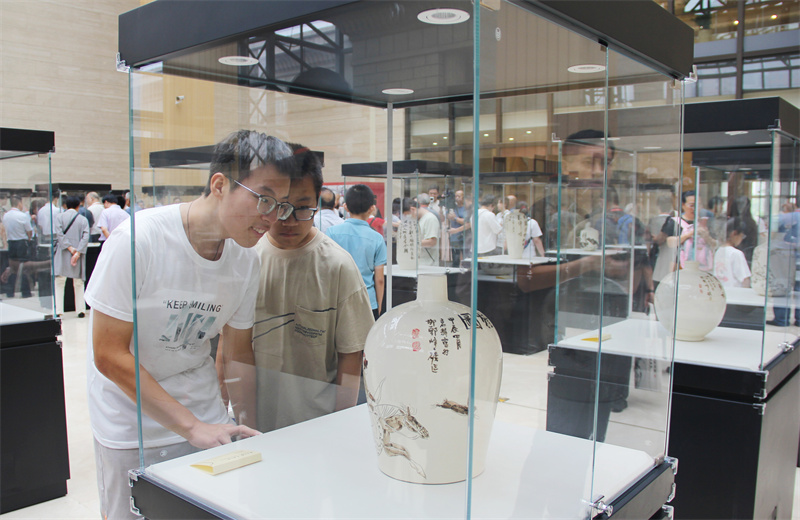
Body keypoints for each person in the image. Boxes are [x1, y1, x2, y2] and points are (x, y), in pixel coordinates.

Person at [84, 130, 292, 520]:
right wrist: (190, 426)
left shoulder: (246, 260)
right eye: (263, 199)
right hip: (132, 421)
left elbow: (238, 350)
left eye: (280, 205)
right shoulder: (138, 240)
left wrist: (247, 428)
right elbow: (108, 354)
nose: (271, 217)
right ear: (219, 185)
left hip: (205, 413)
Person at [247, 144, 373, 433]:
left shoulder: (337, 265)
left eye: (303, 208)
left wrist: (339, 424)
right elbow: (230, 346)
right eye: (279, 206)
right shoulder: (247, 255)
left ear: (319, 201)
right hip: (254, 423)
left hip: (316, 424)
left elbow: (351, 357)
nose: (289, 221)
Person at [327, 184, 388, 320]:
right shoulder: (377, 238)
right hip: (367, 300)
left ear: (346, 207)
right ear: (372, 208)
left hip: (338, 299)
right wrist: (378, 306)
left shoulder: (331, 233)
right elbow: (379, 279)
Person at [53, 196, 90, 317]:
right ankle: (80, 310)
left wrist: (68, 247)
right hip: (77, 254)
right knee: (78, 282)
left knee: (59, 282)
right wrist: (78, 251)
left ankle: (59, 311)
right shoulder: (83, 219)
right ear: (78, 206)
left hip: (63, 252)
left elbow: (59, 234)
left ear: (65, 205)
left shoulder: (59, 217)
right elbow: (85, 237)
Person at [1, 196, 33, 298]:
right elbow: (29, 231)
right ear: (19, 203)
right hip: (21, 243)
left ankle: (10, 291)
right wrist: (28, 239)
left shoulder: (5, 216)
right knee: (23, 268)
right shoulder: (22, 215)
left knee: (12, 267)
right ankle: (25, 292)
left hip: (11, 242)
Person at [713, 217, 751, 289]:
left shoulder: (718, 251)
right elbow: (745, 279)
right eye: (741, 236)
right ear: (734, 233)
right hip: (735, 294)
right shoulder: (736, 254)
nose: (741, 240)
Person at [415, 193, 440, 266]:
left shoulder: (430, 217)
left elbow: (432, 241)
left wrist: (413, 242)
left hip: (429, 262)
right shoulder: (421, 217)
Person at [447, 190, 468, 267]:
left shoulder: (466, 208)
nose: (457, 198)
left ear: (463, 197)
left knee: (466, 259)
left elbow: (467, 223)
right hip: (454, 237)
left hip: (464, 237)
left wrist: (455, 218)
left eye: (459, 196)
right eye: (456, 196)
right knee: (455, 259)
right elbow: (444, 219)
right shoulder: (452, 207)